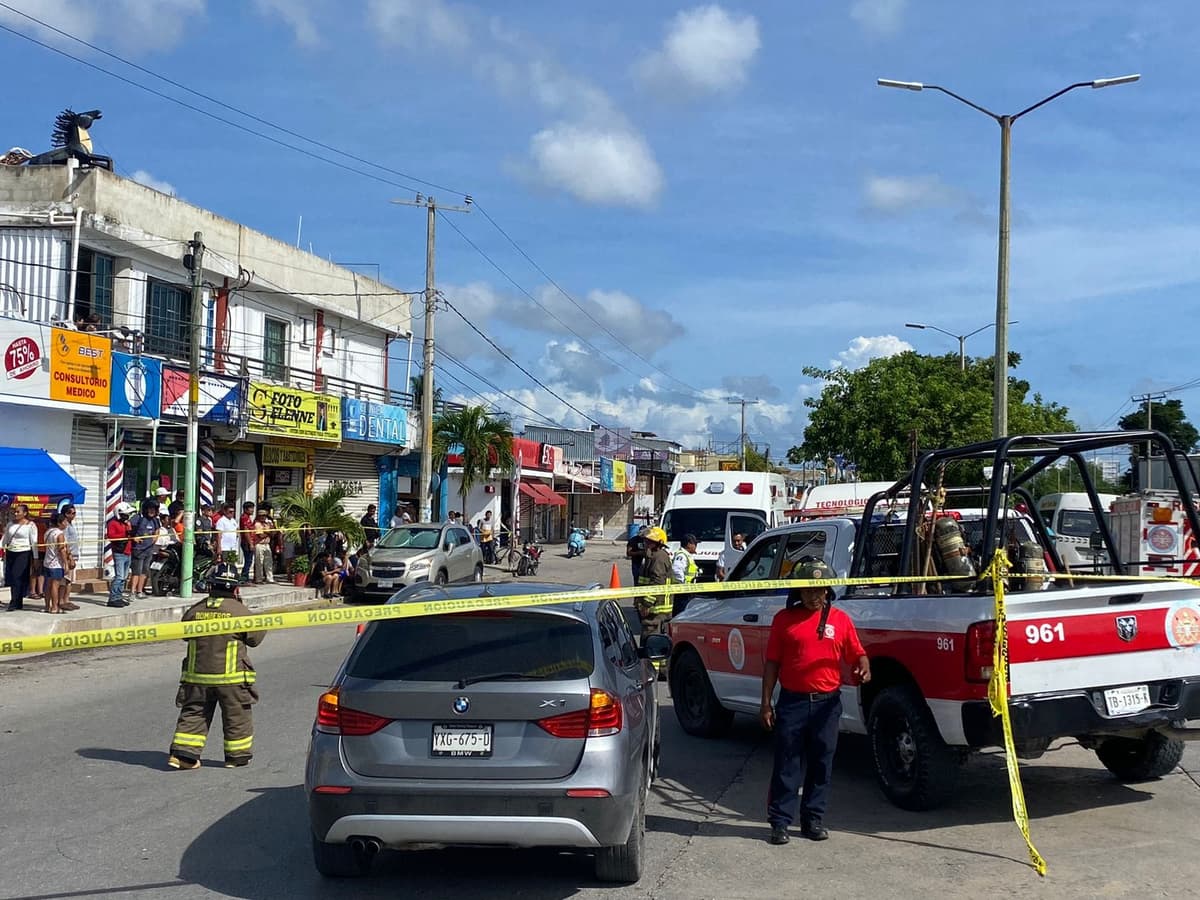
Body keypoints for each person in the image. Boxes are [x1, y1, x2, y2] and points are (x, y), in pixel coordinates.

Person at [761, 559, 871, 846]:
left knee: (822, 763)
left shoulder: (841, 620)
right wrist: (766, 703)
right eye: (808, 590)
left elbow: (857, 653)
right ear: (798, 591)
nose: (813, 596)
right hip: (792, 703)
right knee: (787, 763)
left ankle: (813, 819)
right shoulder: (783, 621)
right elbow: (772, 663)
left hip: (827, 705)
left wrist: (863, 665)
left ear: (828, 591)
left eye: (819, 590)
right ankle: (780, 822)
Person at [167, 587, 266, 770]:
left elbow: (184, 634)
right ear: (236, 589)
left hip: (197, 677)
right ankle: (236, 757)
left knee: (194, 712)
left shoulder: (195, 610)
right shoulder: (239, 611)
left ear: (211, 587)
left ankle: (184, 756)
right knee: (237, 715)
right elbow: (256, 639)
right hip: (231, 678)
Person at [635, 527, 674, 642]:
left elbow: (657, 582)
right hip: (653, 610)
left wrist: (647, 603)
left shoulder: (659, 558)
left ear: (657, 543)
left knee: (651, 644)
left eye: (648, 541)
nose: (645, 544)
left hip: (657, 611)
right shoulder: (651, 557)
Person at [2, 502, 38, 611]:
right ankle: (16, 600)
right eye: (15, 512)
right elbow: (5, 539)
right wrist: (2, 548)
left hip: (23, 553)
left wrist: (35, 558)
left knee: (18, 576)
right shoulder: (10, 524)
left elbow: (34, 542)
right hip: (11, 552)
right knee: (12, 577)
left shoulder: (30, 525)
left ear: (25, 513)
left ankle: (15, 602)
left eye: (18, 512)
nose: (16, 514)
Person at [129, 500, 161, 601]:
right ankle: (132, 592)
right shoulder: (138, 518)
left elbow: (157, 530)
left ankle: (139, 591)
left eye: (154, 509)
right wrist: (133, 537)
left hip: (149, 550)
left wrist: (155, 538)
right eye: (150, 509)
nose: (152, 511)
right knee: (136, 572)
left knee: (145, 571)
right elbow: (128, 528)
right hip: (138, 550)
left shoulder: (155, 520)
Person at [105, 502, 135, 608]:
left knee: (124, 577)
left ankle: (119, 596)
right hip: (119, 552)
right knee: (119, 576)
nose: (127, 516)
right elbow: (111, 536)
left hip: (128, 552)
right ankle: (113, 598)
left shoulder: (126, 524)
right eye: (125, 514)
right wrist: (126, 534)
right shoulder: (113, 523)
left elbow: (130, 536)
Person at [41, 512, 71, 614]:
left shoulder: (48, 532)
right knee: (55, 585)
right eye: (65, 521)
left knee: (48, 585)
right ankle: (54, 607)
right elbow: (62, 550)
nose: (66, 523)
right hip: (56, 563)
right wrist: (66, 563)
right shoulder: (59, 534)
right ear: (59, 523)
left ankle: (46, 606)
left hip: (47, 562)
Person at [60, 504, 80, 608]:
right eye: (71, 513)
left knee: (70, 580)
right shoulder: (65, 526)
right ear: (65, 514)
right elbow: (65, 543)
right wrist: (69, 557)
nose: (73, 515)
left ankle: (67, 599)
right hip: (69, 556)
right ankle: (62, 601)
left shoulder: (71, 525)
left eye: (74, 513)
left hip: (74, 555)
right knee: (65, 580)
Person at [214, 504, 241, 575]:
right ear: (225, 511)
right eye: (230, 512)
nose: (232, 513)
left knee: (232, 564)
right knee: (224, 565)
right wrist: (219, 547)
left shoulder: (233, 521)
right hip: (224, 547)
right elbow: (219, 535)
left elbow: (237, 530)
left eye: (233, 512)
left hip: (233, 547)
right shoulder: (221, 521)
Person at [252, 509, 274, 584]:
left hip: (267, 543)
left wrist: (269, 530)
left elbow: (273, 533)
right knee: (259, 562)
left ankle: (269, 578)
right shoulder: (257, 524)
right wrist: (269, 532)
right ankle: (259, 579)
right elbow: (260, 535)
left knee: (269, 562)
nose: (263, 517)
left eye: (264, 515)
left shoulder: (267, 524)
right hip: (259, 544)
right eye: (261, 516)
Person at [239, 502, 256, 583]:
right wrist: (250, 543)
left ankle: (246, 577)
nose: (252, 510)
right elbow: (246, 532)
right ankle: (244, 577)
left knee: (249, 561)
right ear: (245, 509)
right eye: (251, 508)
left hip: (251, 541)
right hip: (246, 542)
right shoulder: (244, 518)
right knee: (248, 560)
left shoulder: (249, 518)